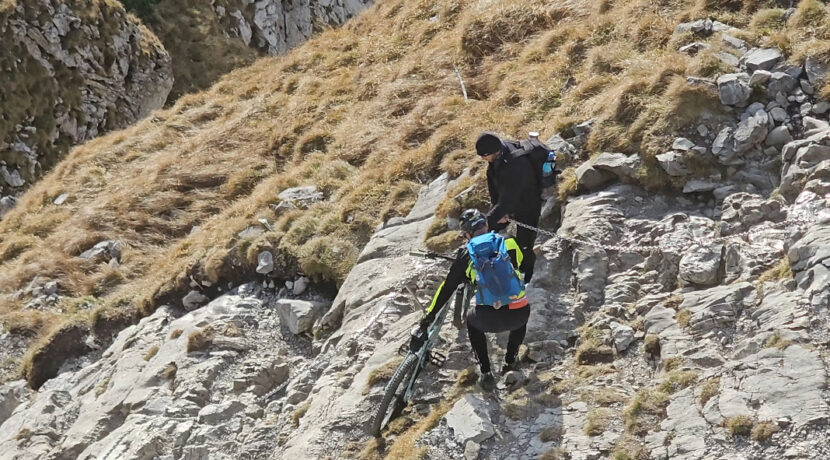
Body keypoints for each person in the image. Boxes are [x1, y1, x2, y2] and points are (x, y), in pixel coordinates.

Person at [410, 209, 531, 391]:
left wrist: (428, 318)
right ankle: (510, 361)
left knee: (472, 321)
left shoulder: (466, 254)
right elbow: (521, 268)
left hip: (487, 320)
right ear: (486, 225)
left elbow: (446, 288)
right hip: (518, 317)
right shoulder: (509, 243)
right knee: (521, 305)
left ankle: (486, 373)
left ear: (467, 234)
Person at [475, 131, 542, 284]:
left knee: (525, 244)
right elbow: (496, 194)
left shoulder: (517, 163)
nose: (482, 159)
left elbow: (509, 199)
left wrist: (488, 221)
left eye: (484, 155)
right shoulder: (496, 160)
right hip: (509, 201)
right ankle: (493, 269)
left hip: (528, 204)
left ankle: (527, 279)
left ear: (495, 151)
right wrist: (494, 216)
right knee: (491, 233)